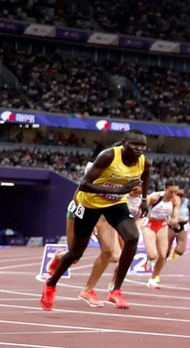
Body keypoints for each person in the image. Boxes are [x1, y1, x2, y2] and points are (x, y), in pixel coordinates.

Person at [41, 130, 151, 311]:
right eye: (134, 145)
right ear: (124, 144)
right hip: (90, 205)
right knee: (76, 253)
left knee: (132, 238)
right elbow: (84, 184)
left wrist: (144, 200)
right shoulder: (108, 156)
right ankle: (51, 283)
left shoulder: (144, 161)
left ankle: (116, 290)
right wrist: (118, 190)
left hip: (115, 205)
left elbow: (146, 173)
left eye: (143, 146)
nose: (139, 149)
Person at [78, 182, 145, 307]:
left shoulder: (142, 199)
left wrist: (137, 227)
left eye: (139, 191)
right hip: (104, 219)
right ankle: (61, 257)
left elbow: (142, 216)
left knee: (123, 255)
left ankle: (114, 286)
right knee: (76, 256)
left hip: (123, 225)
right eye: (134, 190)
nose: (136, 192)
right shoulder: (118, 188)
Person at [143, 184, 179, 289]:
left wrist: (173, 221)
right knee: (153, 255)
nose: (173, 194)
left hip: (162, 225)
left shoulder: (175, 200)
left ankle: (153, 279)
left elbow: (176, 217)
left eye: (175, 192)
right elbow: (142, 208)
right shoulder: (155, 197)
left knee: (163, 255)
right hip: (150, 224)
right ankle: (148, 259)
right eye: (171, 192)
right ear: (165, 189)